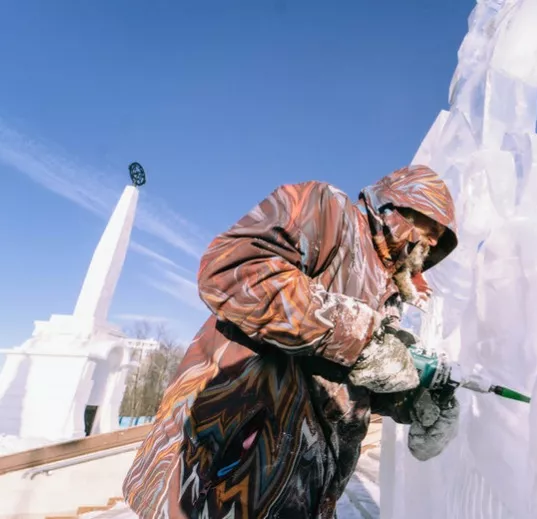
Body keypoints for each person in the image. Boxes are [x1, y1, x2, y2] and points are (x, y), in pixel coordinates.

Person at [122, 165, 461, 519]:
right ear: (397, 206)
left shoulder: (388, 295)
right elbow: (231, 270)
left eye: (440, 236)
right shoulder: (329, 213)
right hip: (223, 471)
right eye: (431, 226)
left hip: (301, 493)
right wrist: (360, 335)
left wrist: (411, 399)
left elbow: (346, 382)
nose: (434, 241)